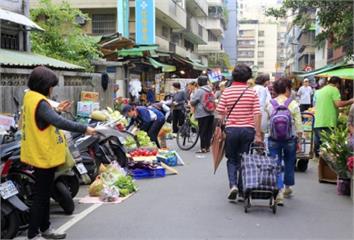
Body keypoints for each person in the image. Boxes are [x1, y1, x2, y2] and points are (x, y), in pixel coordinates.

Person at [21, 66, 96, 240]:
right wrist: (85, 128)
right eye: (51, 86)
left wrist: (57, 110)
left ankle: (45, 229)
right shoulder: (40, 102)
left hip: (36, 152)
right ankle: (33, 234)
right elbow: (58, 122)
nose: (52, 89)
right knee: (41, 196)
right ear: (44, 85)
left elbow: (45, 118)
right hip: (43, 155)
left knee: (45, 193)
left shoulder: (30, 97)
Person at [216, 64, 262, 201]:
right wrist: (258, 133)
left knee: (231, 159)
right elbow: (257, 114)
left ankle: (233, 185)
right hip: (248, 130)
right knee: (244, 159)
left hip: (231, 130)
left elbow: (220, 112)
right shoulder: (251, 92)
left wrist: (224, 120)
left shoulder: (227, 92)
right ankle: (242, 191)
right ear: (248, 77)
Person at [265, 77, 303, 206]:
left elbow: (266, 124)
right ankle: (287, 187)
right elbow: (298, 123)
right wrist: (299, 136)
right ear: (287, 89)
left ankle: (279, 191)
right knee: (289, 162)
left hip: (273, 139)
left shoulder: (270, 103)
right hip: (289, 139)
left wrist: (261, 134)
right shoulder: (293, 104)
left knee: (275, 164)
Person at [314, 76, 354, 157]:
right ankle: (326, 166)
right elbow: (338, 104)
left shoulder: (319, 91)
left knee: (320, 146)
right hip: (329, 122)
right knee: (328, 148)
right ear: (337, 84)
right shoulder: (334, 89)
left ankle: (320, 164)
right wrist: (350, 101)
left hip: (317, 121)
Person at [190, 76, 215, 153]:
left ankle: (203, 148)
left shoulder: (200, 90)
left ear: (199, 82)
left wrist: (191, 102)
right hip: (211, 112)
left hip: (202, 113)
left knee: (203, 131)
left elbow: (193, 101)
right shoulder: (210, 90)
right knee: (209, 131)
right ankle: (207, 147)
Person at [253, 74, 271, 139]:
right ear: (264, 81)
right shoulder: (263, 89)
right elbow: (264, 102)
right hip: (261, 112)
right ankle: (260, 146)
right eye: (267, 80)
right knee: (261, 131)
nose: (268, 82)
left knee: (255, 130)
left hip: (253, 112)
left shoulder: (254, 88)